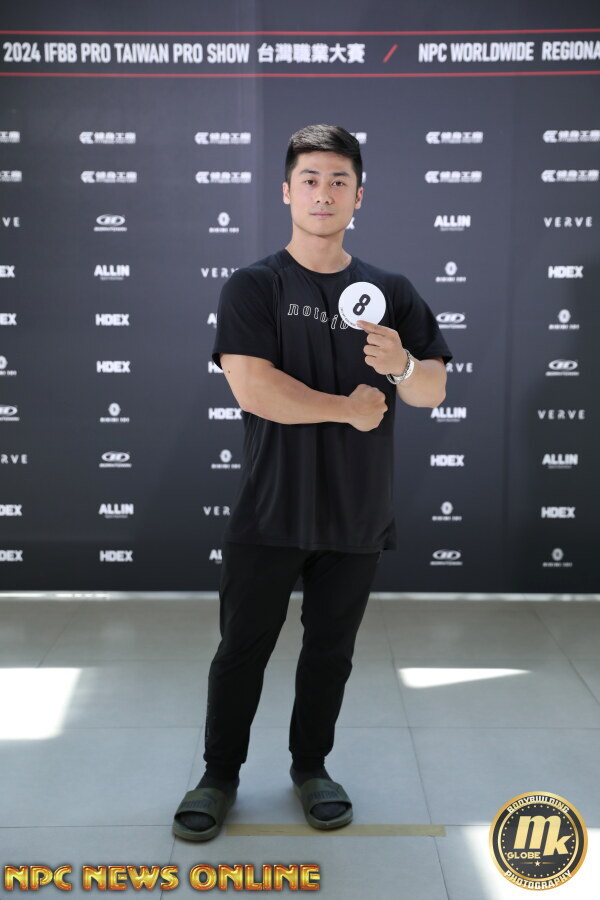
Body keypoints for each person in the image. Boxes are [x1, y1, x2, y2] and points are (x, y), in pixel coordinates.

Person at [172, 124, 452, 841]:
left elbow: (432, 390)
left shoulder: (391, 291)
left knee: (331, 653)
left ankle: (311, 767)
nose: (323, 193)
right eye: (310, 180)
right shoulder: (255, 284)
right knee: (242, 649)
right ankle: (218, 776)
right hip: (271, 506)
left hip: (356, 512)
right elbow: (253, 387)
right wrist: (348, 409)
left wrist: (400, 366)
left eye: (338, 181)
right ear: (286, 192)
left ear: (359, 196)